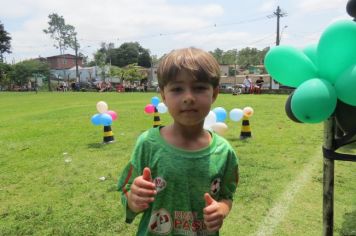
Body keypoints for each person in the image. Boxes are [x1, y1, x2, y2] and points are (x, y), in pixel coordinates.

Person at [118, 47, 239, 236]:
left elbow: (226, 196)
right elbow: (126, 189)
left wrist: (222, 209)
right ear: (164, 96)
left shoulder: (224, 151)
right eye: (177, 89)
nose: (188, 98)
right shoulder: (148, 144)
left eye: (199, 88)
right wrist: (133, 200)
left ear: (214, 94)